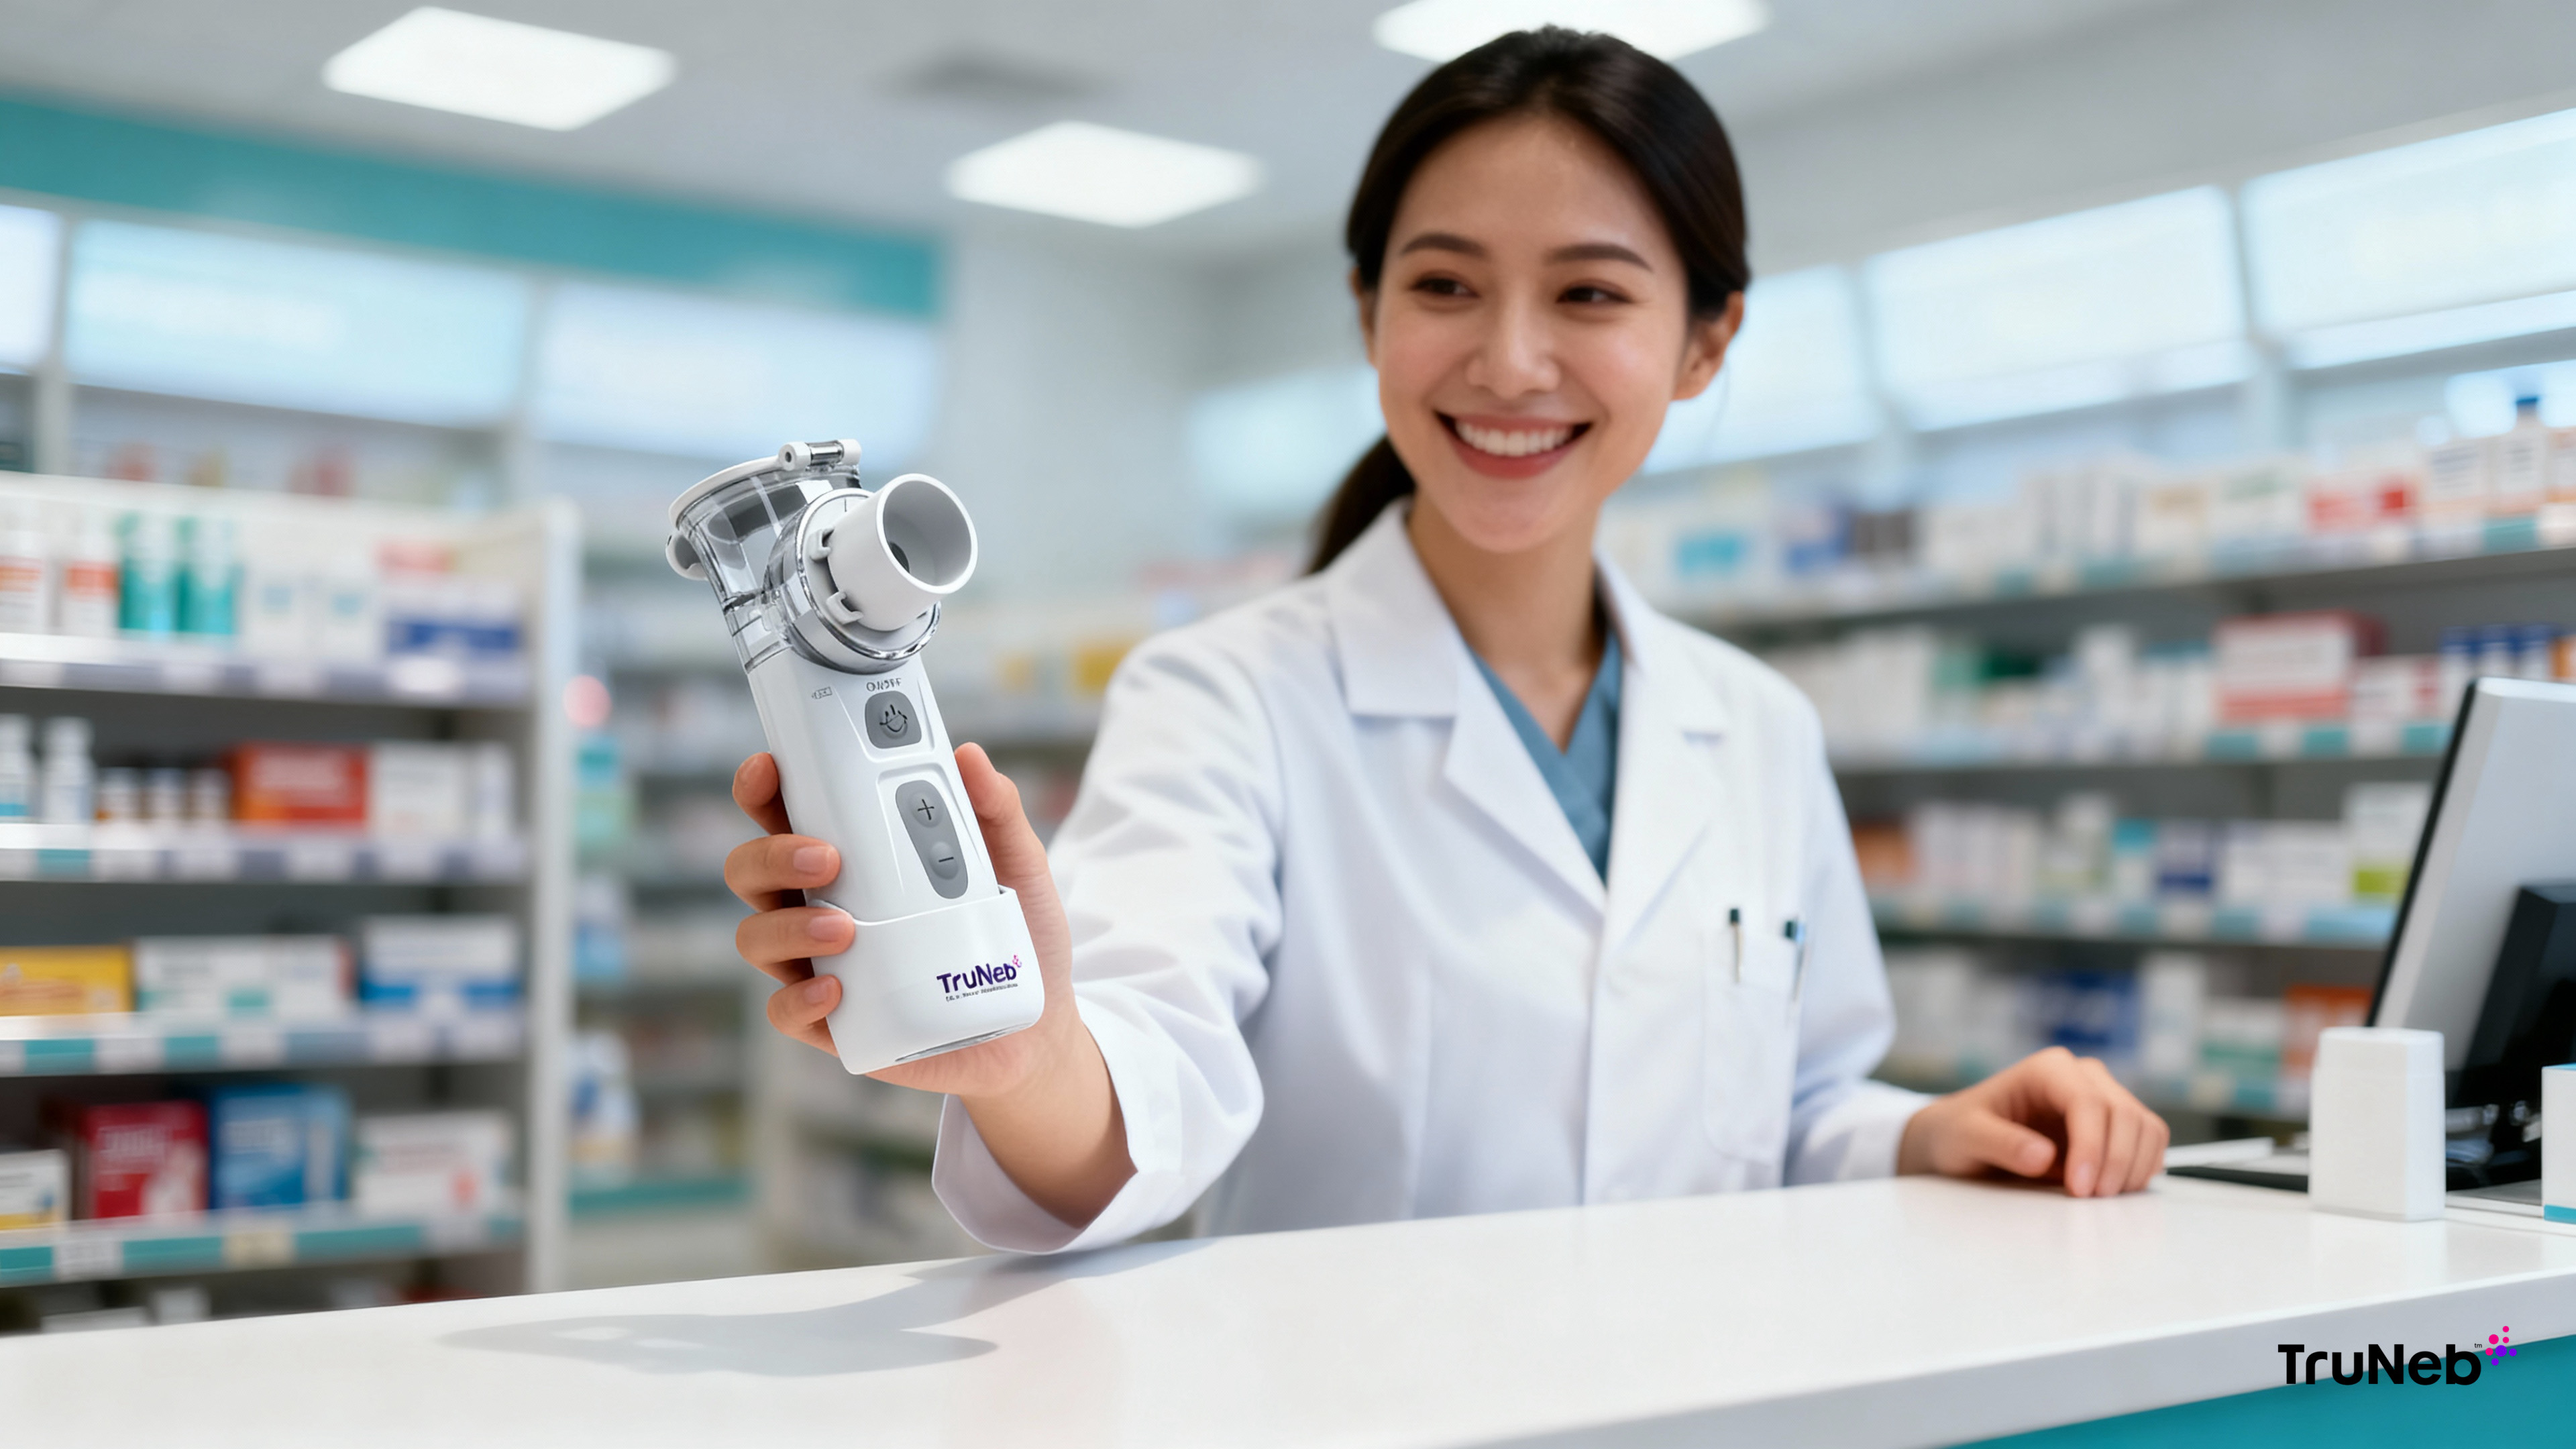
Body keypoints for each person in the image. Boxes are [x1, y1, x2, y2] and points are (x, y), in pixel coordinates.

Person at [724, 27, 2169, 1252]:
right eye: (1445, 285)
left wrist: (1930, 1134)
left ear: (1706, 342)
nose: (1510, 361)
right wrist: (1027, 1061)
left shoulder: (1761, 729)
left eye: (1591, 293)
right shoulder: (1227, 698)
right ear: (1368, 312)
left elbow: (1792, 1112)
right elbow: (1139, 1084)